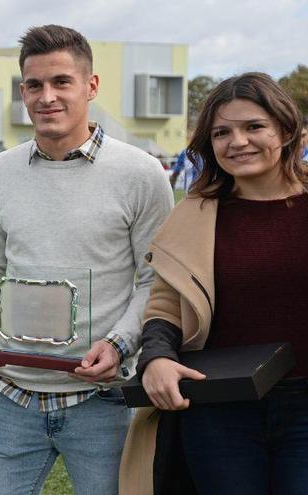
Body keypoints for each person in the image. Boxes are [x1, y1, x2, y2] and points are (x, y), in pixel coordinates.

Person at [0, 25, 173, 494]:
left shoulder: (141, 174)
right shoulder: (0, 171)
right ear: (22, 91)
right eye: (34, 85)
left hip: (102, 401)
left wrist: (117, 344)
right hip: (12, 398)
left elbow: (154, 280)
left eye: (61, 82)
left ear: (90, 86)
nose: (46, 96)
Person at [121, 72, 308, 495]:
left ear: (286, 128)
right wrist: (156, 358)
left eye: (254, 127)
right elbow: (165, 306)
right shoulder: (194, 214)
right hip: (217, 409)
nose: (237, 142)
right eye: (222, 132)